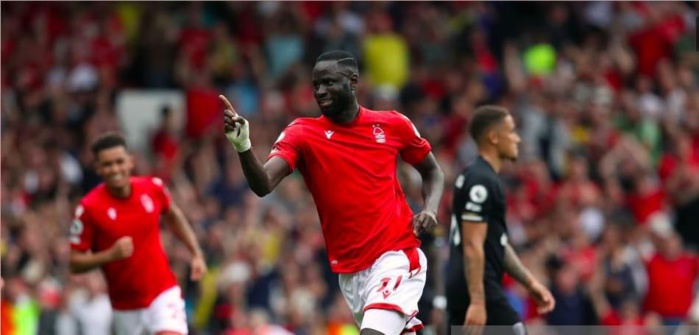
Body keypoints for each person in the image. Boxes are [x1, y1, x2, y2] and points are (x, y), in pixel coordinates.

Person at [221, 50, 445, 335]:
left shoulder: (392, 124)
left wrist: (430, 209)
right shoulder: (302, 133)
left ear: (352, 82)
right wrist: (243, 146)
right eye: (315, 85)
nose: (320, 91)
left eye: (328, 83)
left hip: (396, 255)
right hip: (351, 273)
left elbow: (433, 171)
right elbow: (263, 184)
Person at [68, 133, 208, 335]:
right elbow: (74, 262)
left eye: (119, 162)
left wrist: (196, 252)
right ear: (98, 168)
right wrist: (110, 255)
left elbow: (173, 215)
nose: (115, 169)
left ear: (130, 161)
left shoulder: (152, 188)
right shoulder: (88, 208)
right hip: (125, 307)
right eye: (107, 164)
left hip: (162, 294)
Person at [445, 106, 555, 334]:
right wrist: (477, 301)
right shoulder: (481, 181)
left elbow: (496, 242)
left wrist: (529, 282)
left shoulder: (478, 177)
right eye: (511, 131)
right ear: (493, 137)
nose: (517, 138)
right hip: (478, 287)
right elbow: (472, 244)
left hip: (467, 286)